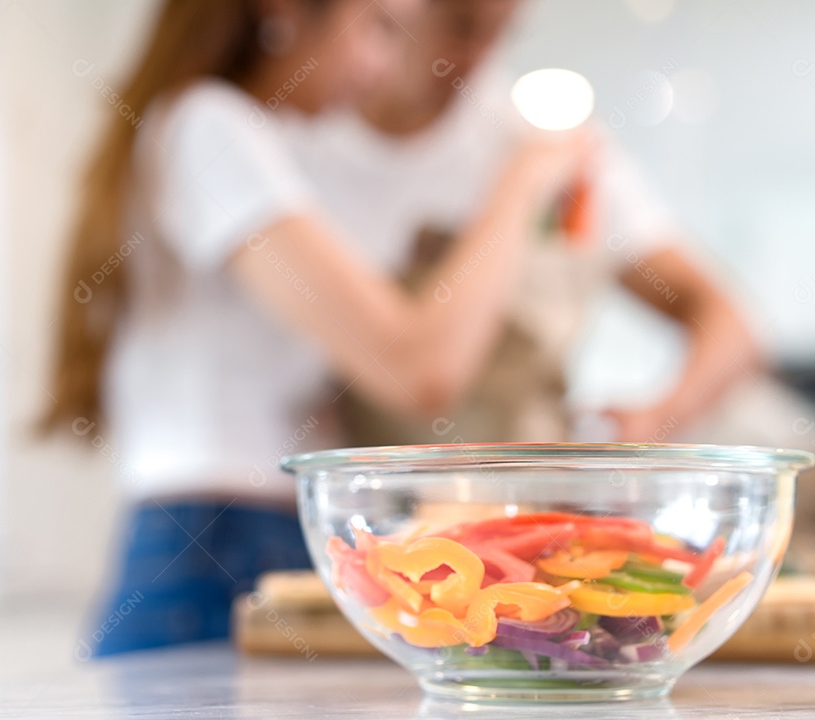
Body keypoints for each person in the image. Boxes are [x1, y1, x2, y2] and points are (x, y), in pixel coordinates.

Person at [43, 0, 593, 655]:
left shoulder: (229, 133)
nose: (383, 65)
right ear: (283, 11)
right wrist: (524, 181)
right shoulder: (208, 126)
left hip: (226, 540)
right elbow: (419, 370)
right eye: (378, 26)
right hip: (222, 548)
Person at [287, 0, 761, 445]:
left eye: (500, 32)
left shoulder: (549, 147)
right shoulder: (296, 137)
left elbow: (728, 321)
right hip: (365, 505)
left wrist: (659, 417)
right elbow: (426, 377)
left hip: (524, 496)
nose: (477, 57)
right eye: (461, 25)